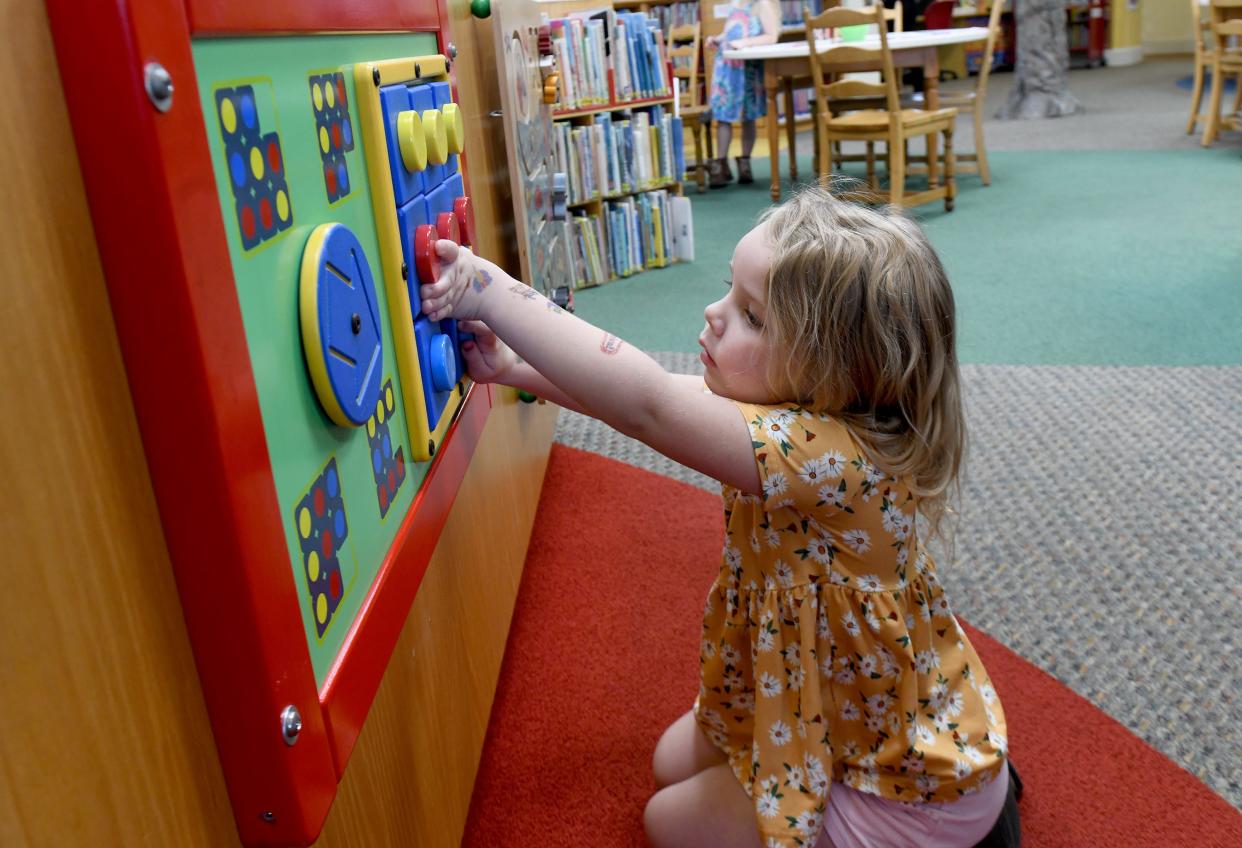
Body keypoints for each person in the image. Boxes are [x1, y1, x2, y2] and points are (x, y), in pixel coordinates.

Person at [418, 186, 1020, 848]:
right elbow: (642, 399)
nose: (712, 314)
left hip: (906, 781)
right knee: (669, 763)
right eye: (728, 292)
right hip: (818, 696)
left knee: (665, 820)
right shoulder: (791, 416)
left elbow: (646, 405)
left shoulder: (830, 456)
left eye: (752, 317)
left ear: (835, 372)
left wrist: (489, 290)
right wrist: (514, 366)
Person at [705, 0, 781, 188]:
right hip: (728, 67)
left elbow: (771, 36)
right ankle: (721, 164)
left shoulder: (762, 4)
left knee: (749, 116)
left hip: (748, 69)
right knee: (723, 115)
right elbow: (733, 30)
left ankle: (745, 163)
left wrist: (744, 43)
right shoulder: (735, 3)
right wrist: (719, 39)